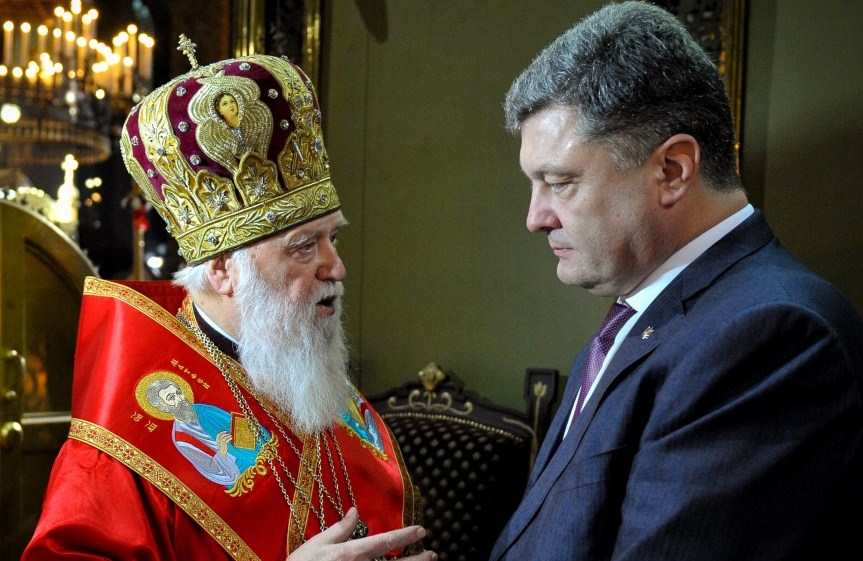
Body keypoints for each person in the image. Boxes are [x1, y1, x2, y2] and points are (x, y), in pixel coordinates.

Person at [23, 39, 436, 561]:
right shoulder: (117, 445)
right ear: (222, 270)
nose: (337, 268)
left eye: (333, 238)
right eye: (304, 246)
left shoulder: (300, 370)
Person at [490, 2, 863, 560]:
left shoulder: (771, 335)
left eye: (560, 182)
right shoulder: (649, 313)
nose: (535, 218)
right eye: (533, 184)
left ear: (672, 171)